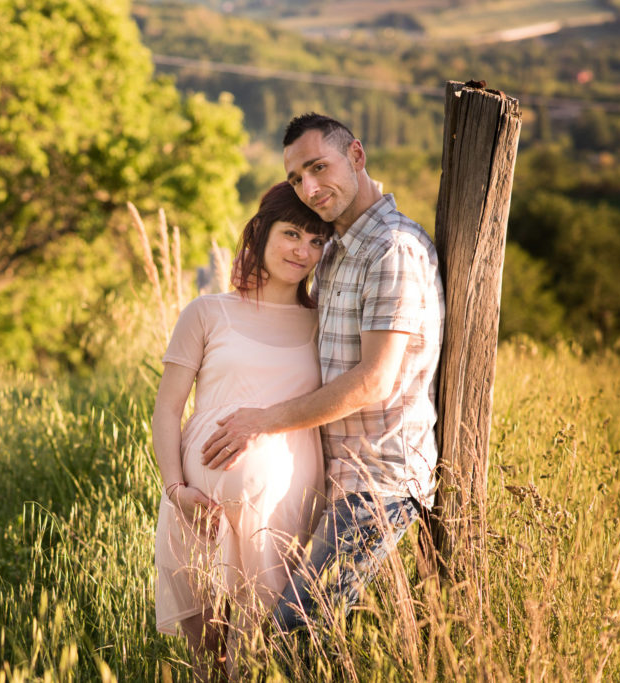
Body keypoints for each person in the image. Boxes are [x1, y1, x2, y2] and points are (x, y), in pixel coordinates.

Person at [199, 112, 445, 632]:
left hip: (378, 483)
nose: (309, 188)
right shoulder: (335, 250)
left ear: (356, 155)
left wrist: (259, 421)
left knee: (292, 634)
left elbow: (374, 381)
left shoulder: (390, 250)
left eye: (318, 167)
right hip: (335, 478)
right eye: (295, 178)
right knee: (295, 637)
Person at [152, 182, 332, 678]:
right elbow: (167, 409)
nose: (302, 250)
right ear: (261, 232)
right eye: (291, 233)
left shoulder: (323, 323)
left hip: (282, 508)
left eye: (317, 241)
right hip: (198, 509)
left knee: (263, 653)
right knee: (209, 659)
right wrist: (175, 489)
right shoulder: (208, 312)